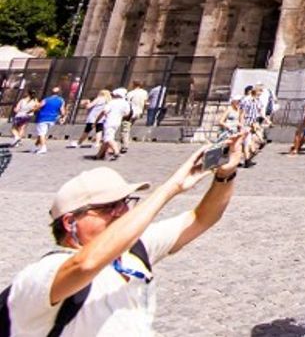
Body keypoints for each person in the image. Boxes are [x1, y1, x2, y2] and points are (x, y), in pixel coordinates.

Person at [4, 138, 246, 335]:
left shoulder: (133, 251)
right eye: (108, 206)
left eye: (124, 203)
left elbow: (202, 219)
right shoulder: (41, 275)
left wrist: (225, 175)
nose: (121, 212)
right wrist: (171, 188)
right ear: (70, 222)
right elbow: (85, 265)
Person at [93, 89, 130, 162]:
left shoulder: (112, 102)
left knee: (108, 138)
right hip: (117, 122)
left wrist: (97, 121)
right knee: (107, 138)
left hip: (109, 121)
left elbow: (104, 111)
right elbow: (127, 113)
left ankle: (116, 151)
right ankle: (99, 155)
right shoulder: (125, 103)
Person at [32, 87, 65, 154]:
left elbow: (39, 106)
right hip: (52, 119)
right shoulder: (61, 100)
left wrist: (34, 109)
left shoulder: (46, 99)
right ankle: (35, 146)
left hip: (43, 118)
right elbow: (62, 111)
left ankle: (43, 148)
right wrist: (62, 117)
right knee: (42, 134)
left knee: (42, 134)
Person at [121, 82, 148, 153]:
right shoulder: (144, 92)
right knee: (128, 127)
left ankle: (125, 145)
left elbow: (126, 103)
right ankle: (125, 140)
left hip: (130, 112)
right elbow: (145, 103)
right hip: (139, 111)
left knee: (125, 128)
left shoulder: (130, 93)